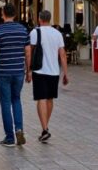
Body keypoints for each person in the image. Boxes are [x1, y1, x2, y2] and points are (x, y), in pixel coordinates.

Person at [0, 3, 30, 148]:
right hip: (19, 70)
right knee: (16, 100)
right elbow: (28, 52)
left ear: (3, 14)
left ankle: (9, 137)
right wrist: (28, 70)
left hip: (4, 71)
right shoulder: (23, 30)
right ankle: (19, 129)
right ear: (15, 14)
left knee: (5, 103)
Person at [28, 10, 68, 144]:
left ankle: (44, 128)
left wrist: (28, 69)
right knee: (50, 99)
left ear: (39, 19)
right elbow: (62, 54)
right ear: (50, 19)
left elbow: (30, 52)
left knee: (41, 98)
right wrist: (66, 73)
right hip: (54, 71)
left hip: (39, 70)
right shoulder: (57, 34)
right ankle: (45, 126)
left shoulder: (35, 32)